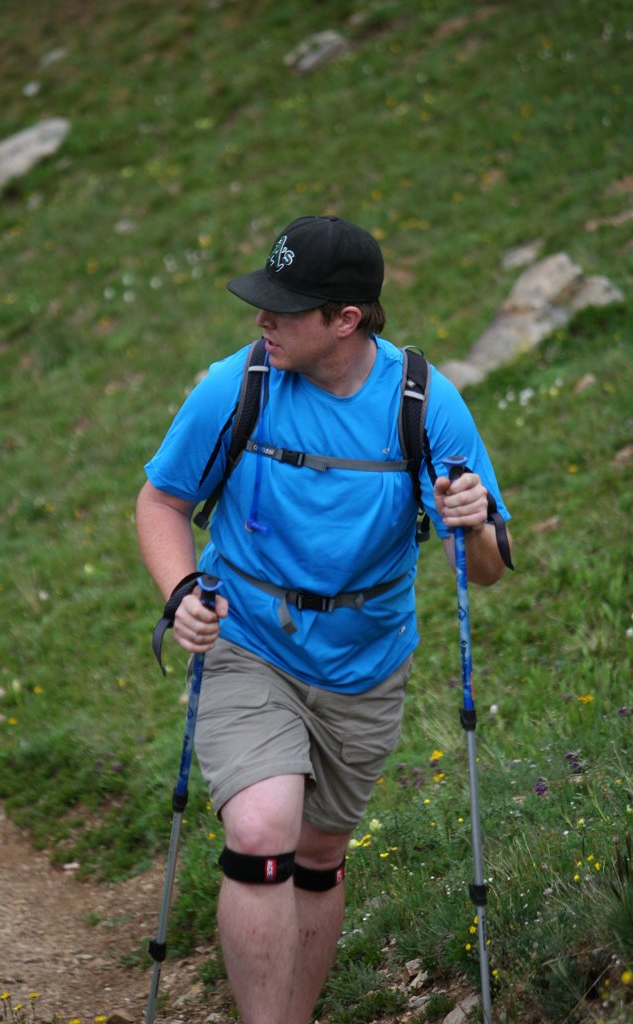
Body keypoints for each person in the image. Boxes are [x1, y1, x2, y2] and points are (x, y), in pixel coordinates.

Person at [136, 214, 512, 1024]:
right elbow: (161, 501)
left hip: (364, 660)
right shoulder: (236, 386)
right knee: (261, 828)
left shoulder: (423, 402)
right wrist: (182, 591)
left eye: (284, 307)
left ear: (344, 319)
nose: (261, 318)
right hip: (248, 640)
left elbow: (482, 569)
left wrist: (473, 524)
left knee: (317, 852)